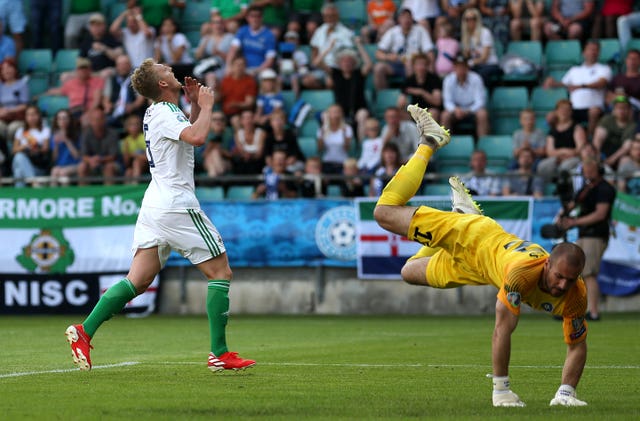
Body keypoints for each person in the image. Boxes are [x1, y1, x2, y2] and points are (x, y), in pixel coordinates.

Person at [373, 104, 589, 408]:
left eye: (570, 280)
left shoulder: (576, 294)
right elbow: (502, 328)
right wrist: (502, 391)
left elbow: (577, 345)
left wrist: (566, 393)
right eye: (559, 277)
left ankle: (459, 210)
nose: (563, 285)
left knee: (409, 272)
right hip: (471, 235)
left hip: (479, 268)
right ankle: (429, 142)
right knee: (383, 213)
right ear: (547, 263)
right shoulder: (522, 274)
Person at [65, 59, 255, 372]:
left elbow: (186, 135)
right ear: (163, 84)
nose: (169, 67)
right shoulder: (164, 112)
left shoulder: (160, 111)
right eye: (164, 68)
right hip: (175, 203)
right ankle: (219, 354)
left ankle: (84, 332)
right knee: (220, 273)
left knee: (137, 281)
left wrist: (194, 106)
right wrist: (207, 107)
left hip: (155, 202)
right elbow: (197, 138)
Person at [558, 158, 616, 321]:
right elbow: (573, 206)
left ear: (598, 170)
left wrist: (574, 222)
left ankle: (594, 311)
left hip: (596, 235)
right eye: (585, 169)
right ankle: (575, 309)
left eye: (590, 169)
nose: (587, 172)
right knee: (578, 273)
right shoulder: (586, 188)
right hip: (584, 234)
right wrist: (563, 210)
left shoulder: (605, 189)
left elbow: (600, 214)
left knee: (589, 273)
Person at [543, 40, 612, 137]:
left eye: (595, 50)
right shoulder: (574, 70)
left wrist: (581, 86)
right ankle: (556, 138)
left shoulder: (604, 68)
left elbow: (601, 83)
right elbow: (563, 84)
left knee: (594, 112)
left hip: (594, 107)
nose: (593, 52)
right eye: (590, 49)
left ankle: (589, 139)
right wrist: (552, 83)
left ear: (599, 52)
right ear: (584, 52)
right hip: (573, 109)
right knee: (551, 117)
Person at [374, 8, 435, 90]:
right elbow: (378, 53)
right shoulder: (392, 32)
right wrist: (388, 57)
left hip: (414, 64)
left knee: (409, 63)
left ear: (412, 18)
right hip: (395, 64)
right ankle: (383, 97)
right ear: (399, 19)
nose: (406, 20)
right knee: (378, 68)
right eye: (403, 17)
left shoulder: (420, 30)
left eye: (408, 17)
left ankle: (410, 93)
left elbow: (429, 51)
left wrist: (428, 66)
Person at [329, 38, 372, 141]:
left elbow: (369, 64)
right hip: (341, 110)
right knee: (327, 115)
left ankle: (361, 145)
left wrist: (359, 45)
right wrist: (330, 48)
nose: (346, 63)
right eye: (343, 61)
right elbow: (317, 63)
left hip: (358, 108)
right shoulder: (336, 74)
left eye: (349, 61)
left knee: (362, 115)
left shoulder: (358, 74)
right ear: (339, 63)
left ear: (354, 63)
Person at [440, 54, 490, 140]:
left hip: (472, 110)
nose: (461, 69)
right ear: (454, 68)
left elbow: (480, 101)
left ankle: (483, 144)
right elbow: (447, 101)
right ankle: (446, 146)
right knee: (445, 116)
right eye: (458, 67)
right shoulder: (448, 80)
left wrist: (468, 111)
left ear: (467, 68)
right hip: (456, 110)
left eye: (463, 66)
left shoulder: (476, 78)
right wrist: (455, 110)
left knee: (483, 114)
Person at [537, 99, 588, 181]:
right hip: (556, 157)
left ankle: (564, 188)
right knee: (542, 166)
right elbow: (549, 151)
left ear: (571, 112)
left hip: (573, 157)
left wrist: (567, 155)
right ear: (556, 111)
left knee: (565, 167)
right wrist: (563, 152)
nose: (564, 112)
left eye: (567, 110)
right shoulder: (553, 130)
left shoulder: (577, 128)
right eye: (561, 109)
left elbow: (580, 148)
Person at [46, 58, 105, 124]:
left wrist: (88, 113)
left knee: (89, 119)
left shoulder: (97, 81)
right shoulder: (70, 83)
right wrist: (38, 96)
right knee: (62, 118)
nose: (83, 71)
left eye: (85, 68)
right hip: (74, 111)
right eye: (81, 68)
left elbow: (97, 101)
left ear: (90, 69)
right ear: (77, 70)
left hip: (89, 110)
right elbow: (57, 91)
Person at [227, 6, 277, 77]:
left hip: (260, 69)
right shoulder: (243, 30)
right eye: (252, 16)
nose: (255, 19)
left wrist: (258, 70)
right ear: (247, 18)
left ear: (262, 18)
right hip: (242, 67)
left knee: (267, 76)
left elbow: (270, 59)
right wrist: (229, 65)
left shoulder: (269, 35)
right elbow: (233, 50)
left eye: (258, 16)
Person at [76, 107, 121, 185]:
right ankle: (84, 195)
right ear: (90, 121)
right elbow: (83, 155)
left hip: (109, 162)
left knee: (109, 168)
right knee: (82, 167)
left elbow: (114, 156)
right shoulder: (85, 134)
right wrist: (91, 160)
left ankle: (108, 195)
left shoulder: (112, 134)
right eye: (94, 120)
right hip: (92, 163)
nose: (97, 122)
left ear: (104, 120)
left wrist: (100, 159)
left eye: (99, 119)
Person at [459, 7, 502, 88]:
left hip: (490, 64)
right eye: (467, 19)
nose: (470, 21)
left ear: (477, 19)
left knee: (480, 75)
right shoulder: (466, 36)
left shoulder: (485, 32)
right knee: (461, 73)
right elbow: (467, 56)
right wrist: (467, 55)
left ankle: (484, 96)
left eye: (473, 18)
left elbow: (484, 58)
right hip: (476, 66)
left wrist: (470, 63)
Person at [101, 54, 147, 129]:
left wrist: (131, 107)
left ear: (130, 65)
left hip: (133, 111)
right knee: (102, 122)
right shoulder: (111, 79)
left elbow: (140, 100)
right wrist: (108, 105)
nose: (123, 67)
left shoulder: (136, 78)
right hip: (115, 110)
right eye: (120, 64)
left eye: (125, 64)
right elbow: (106, 98)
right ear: (116, 66)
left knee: (133, 124)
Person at [592, 95, 637, 170]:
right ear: (614, 109)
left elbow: (626, 147)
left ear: (629, 110)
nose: (621, 111)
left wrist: (611, 160)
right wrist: (596, 154)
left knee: (624, 160)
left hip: (621, 156)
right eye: (618, 108)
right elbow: (598, 139)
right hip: (604, 152)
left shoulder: (633, 125)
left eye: (624, 108)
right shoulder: (607, 120)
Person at [11, 105, 51, 187]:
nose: (31, 117)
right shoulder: (21, 131)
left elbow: (45, 149)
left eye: (34, 114)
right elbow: (14, 150)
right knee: (19, 157)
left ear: (38, 116)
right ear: (25, 117)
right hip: (23, 160)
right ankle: (34, 183)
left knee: (19, 171)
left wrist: (36, 149)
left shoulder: (45, 130)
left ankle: (19, 196)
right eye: (29, 115)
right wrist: (25, 146)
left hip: (37, 165)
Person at [397, 53, 443, 123]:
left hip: (430, 109)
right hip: (414, 111)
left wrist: (422, 92)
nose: (421, 67)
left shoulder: (434, 79)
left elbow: (437, 102)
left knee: (433, 112)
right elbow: (401, 102)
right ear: (414, 66)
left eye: (424, 64)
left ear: (427, 66)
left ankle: (428, 134)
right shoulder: (408, 81)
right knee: (398, 114)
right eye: (418, 64)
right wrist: (403, 103)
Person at [79, 13, 125, 79]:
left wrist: (104, 48)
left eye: (98, 25)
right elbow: (81, 60)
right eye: (93, 25)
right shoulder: (87, 41)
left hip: (108, 70)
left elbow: (119, 56)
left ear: (104, 26)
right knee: (65, 76)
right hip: (91, 72)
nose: (95, 28)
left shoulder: (111, 38)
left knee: (106, 73)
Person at [193, 15, 233, 88]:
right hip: (208, 69)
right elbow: (197, 56)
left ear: (223, 24)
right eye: (215, 23)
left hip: (224, 67)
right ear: (211, 25)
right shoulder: (206, 38)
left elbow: (233, 58)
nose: (218, 25)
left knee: (211, 76)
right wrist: (205, 40)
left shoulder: (230, 37)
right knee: (209, 75)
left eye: (220, 22)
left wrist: (219, 53)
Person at [219, 56, 258, 126]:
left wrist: (235, 104)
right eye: (237, 64)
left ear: (245, 67)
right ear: (232, 66)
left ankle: (239, 136)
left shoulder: (250, 81)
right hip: (225, 112)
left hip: (241, 112)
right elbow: (220, 97)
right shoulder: (226, 80)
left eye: (242, 65)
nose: (239, 67)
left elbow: (249, 103)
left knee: (236, 120)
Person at [263, 108, 305, 173]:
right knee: (266, 170)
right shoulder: (269, 138)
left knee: (291, 169)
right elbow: (268, 158)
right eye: (275, 120)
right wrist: (276, 166)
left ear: (284, 122)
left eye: (280, 120)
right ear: (271, 123)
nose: (278, 123)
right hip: (275, 165)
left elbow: (293, 156)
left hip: (289, 164)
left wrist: (282, 166)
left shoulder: (290, 135)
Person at [153, 17, 194, 83]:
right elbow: (157, 60)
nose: (167, 28)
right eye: (164, 25)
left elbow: (176, 59)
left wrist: (170, 43)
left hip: (185, 66)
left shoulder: (180, 37)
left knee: (165, 67)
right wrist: (159, 45)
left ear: (174, 27)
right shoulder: (160, 39)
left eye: (169, 25)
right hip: (170, 66)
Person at [317, 104, 353, 175]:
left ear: (341, 114)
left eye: (337, 112)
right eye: (333, 112)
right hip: (327, 161)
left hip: (343, 162)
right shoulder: (322, 129)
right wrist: (322, 135)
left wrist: (344, 135)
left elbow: (347, 149)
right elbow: (320, 149)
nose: (335, 115)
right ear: (328, 114)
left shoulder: (347, 128)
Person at [0, 58, 28, 147]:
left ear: (15, 69)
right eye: (3, 69)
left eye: (9, 67)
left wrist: (9, 111)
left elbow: (25, 105)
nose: (6, 71)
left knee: (12, 129)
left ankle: (12, 151)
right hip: (3, 116)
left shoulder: (22, 84)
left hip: (18, 116)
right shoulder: (0, 86)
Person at [49, 109, 81, 186]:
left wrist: (67, 140)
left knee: (63, 173)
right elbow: (54, 159)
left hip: (75, 165)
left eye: (65, 118)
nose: (62, 121)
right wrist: (56, 145)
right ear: (56, 121)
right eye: (59, 119)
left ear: (70, 120)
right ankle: (53, 196)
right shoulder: (54, 136)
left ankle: (66, 196)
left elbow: (77, 156)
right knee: (54, 171)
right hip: (60, 165)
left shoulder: (77, 135)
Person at [230, 109, 266, 175]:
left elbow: (259, 153)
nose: (248, 121)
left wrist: (250, 155)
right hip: (243, 163)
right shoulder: (237, 134)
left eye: (250, 118)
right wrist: (246, 154)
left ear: (254, 119)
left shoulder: (261, 133)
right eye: (245, 118)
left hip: (258, 163)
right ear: (241, 121)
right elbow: (241, 151)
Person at [201, 111, 232, 177]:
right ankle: (218, 178)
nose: (218, 122)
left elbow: (234, 155)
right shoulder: (204, 134)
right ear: (209, 122)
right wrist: (210, 146)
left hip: (226, 162)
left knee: (215, 152)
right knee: (213, 154)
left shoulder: (229, 133)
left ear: (225, 122)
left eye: (221, 119)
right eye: (215, 119)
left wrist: (220, 150)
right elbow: (200, 157)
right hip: (208, 163)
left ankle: (213, 178)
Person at [120, 114, 149, 183]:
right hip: (133, 167)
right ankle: (127, 192)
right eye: (131, 125)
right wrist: (127, 152)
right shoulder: (126, 141)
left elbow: (148, 158)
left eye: (136, 124)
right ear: (127, 127)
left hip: (147, 166)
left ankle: (135, 184)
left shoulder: (144, 138)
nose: (134, 127)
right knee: (128, 172)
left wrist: (134, 155)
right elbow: (126, 163)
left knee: (137, 162)